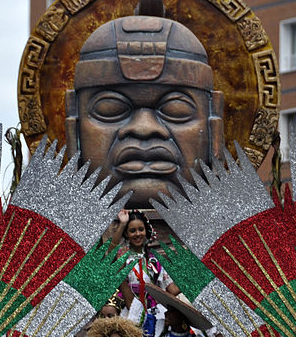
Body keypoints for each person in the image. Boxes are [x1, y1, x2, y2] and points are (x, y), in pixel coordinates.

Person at [64, 15, 225, 209]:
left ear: (215, 130)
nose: (144, 128)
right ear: (74, 129)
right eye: (110, 109)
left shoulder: (242, 239)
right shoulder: (52, 239)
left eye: (176, 109)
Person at [111, 209, 180, 326]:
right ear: (126, 234)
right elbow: (110, 252)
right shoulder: (123, 258)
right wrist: (122, 224)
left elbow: (171, 289)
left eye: (141, 229)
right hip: (130, 314)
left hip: (153, 316)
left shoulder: (154, 260)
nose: (138, 234)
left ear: (146, 231)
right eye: (132, 231)